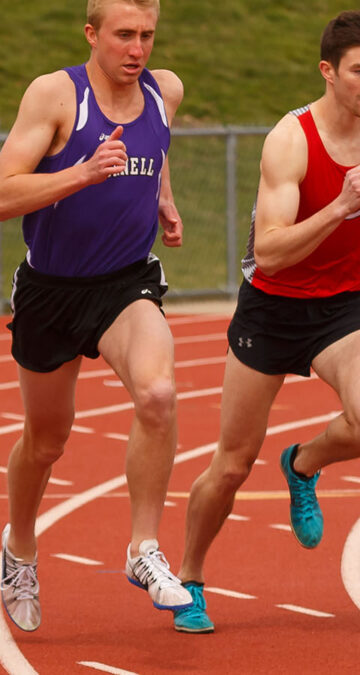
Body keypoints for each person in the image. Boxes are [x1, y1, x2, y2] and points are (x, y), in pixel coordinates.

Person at [0, 0, 190, 632]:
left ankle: (143, 548)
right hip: (51, 289)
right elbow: (2, 197)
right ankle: (20, 547)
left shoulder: (165, 93)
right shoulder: (55, 96)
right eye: (124, 35)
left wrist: (163, 196)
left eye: (147, 36)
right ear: (92, 34)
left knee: (158, 393)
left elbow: (154, 151)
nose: (137, 49)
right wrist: (81, 174)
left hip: (125, 282)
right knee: (47, 439)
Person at [174, 10, 360, 634]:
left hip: (346, 306)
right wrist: (341, 206)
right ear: (328, 72)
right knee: (231, 462)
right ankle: (190, 579)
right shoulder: (291, 137)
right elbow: (273, 249)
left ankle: (305, 462)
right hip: (273, 306)